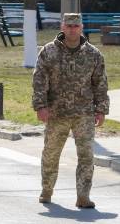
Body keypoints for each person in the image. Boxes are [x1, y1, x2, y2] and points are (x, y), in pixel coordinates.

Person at [33, 13, 109, 208]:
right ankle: (46, 190)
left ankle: (83, 196)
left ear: (81, 27)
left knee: (86, 156)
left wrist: (101, 109)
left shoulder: (93, 54)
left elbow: (100, 83)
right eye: (69, 26)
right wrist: (40, 106)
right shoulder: (48, 51)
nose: (72, 29)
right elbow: (39, 81)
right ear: (62, 27)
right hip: (56, 113)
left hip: (84, 114)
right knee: (51, 154)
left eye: (76, 26)